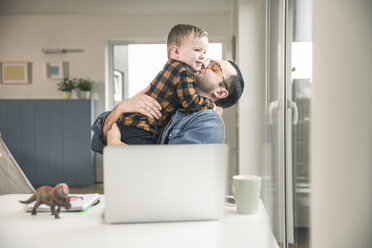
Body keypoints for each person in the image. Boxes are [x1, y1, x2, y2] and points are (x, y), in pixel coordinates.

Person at [91, 58, 244, 153]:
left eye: (215, 67)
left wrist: (115, 145)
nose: (204, 62)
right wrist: (121, 108)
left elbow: (167, 169)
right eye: (211, 60)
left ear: (221, 92)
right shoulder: (175, 103)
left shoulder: (209, 121)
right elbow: (98, 141)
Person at [117, 24, 218, 145]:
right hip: (141, 128)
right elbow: (191, 102)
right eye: (197, 50)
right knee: (143, 161)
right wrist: (211, 105)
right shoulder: (184, 72)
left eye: (205, 52)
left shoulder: (171, 67)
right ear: (176, 51)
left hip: (132, 124)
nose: (202, 56)